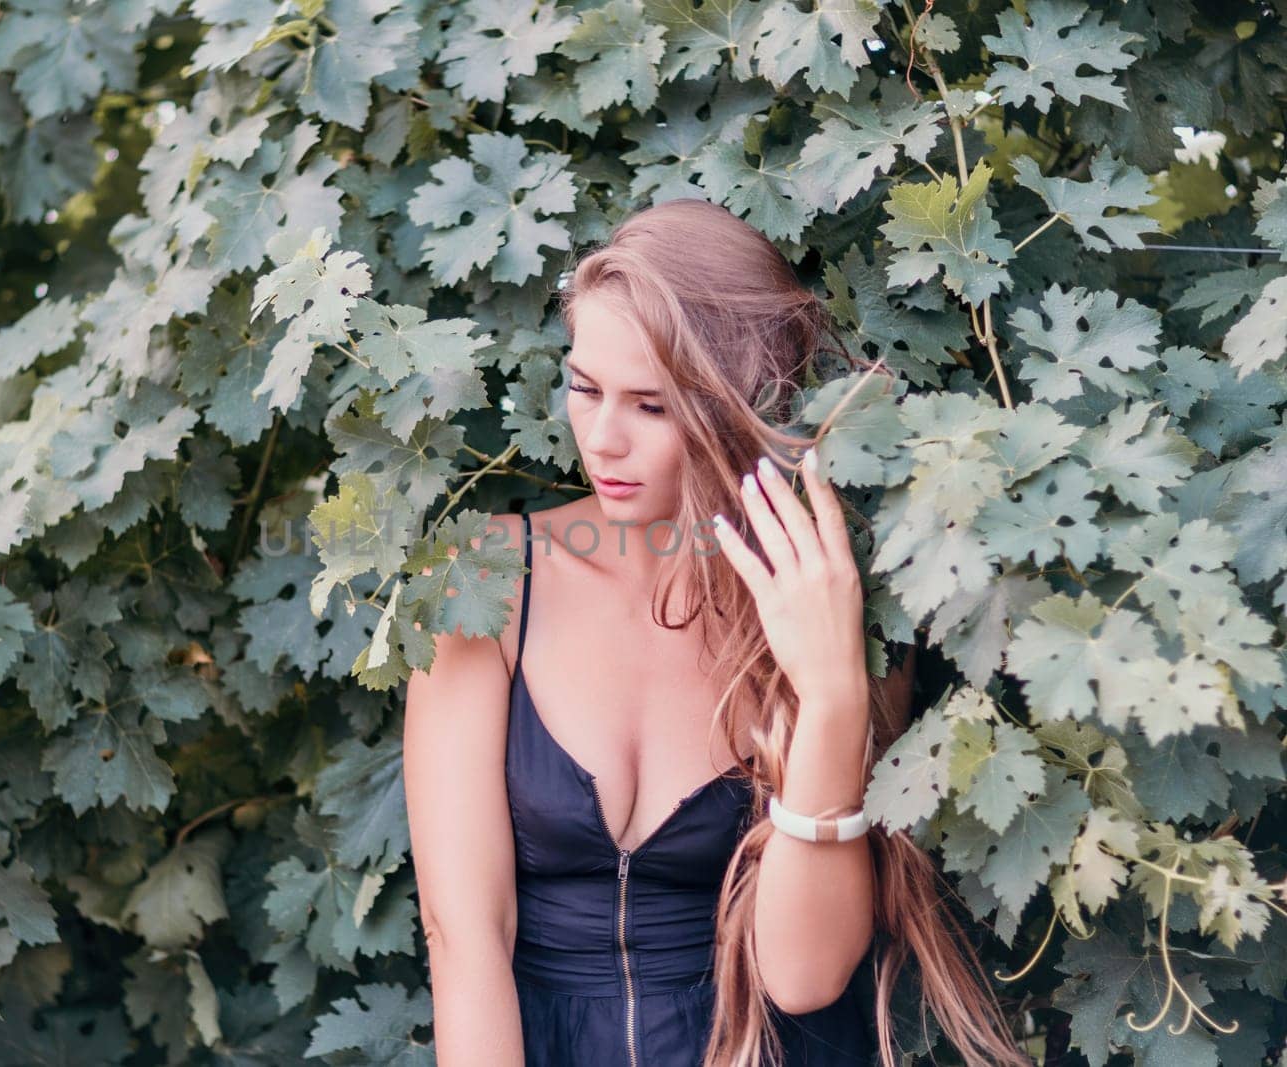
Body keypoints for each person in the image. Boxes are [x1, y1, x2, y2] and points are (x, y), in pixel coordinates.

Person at [403, 199, 1028, 1066]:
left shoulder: (836, 594)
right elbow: (463, 934)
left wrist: (835, 688)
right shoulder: (483, 581)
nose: (603, 438)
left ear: (742, 403)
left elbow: (804, 974)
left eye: (652, 407)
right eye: (585, 388)